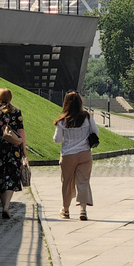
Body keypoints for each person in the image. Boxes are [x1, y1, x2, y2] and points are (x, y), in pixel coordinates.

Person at [54, 91, 100, 220]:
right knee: (83, 182)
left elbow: (57, 139)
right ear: (80, 102)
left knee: (67, 182)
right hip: (85, 154)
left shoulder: (62, 121)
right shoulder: (87, 117)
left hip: (68, 154)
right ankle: (83, 210)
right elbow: (96, 131)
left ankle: (66, 210)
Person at [0, 88, 26, 218]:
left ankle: (4, 206)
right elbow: (21, 132)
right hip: (13, 150)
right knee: (12, 176)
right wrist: (24, 150)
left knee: (0, 176)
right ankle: (6, 206)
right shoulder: (16, 112)